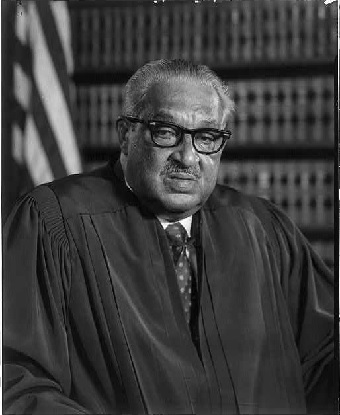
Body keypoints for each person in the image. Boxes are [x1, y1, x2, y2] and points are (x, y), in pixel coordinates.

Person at [3, 59, 335, 414]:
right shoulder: (56, 223)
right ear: (125, 135)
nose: (188, 157)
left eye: (206, 137)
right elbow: (18, 381)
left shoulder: (263, 229)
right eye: (165, 132)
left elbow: (323, 358)